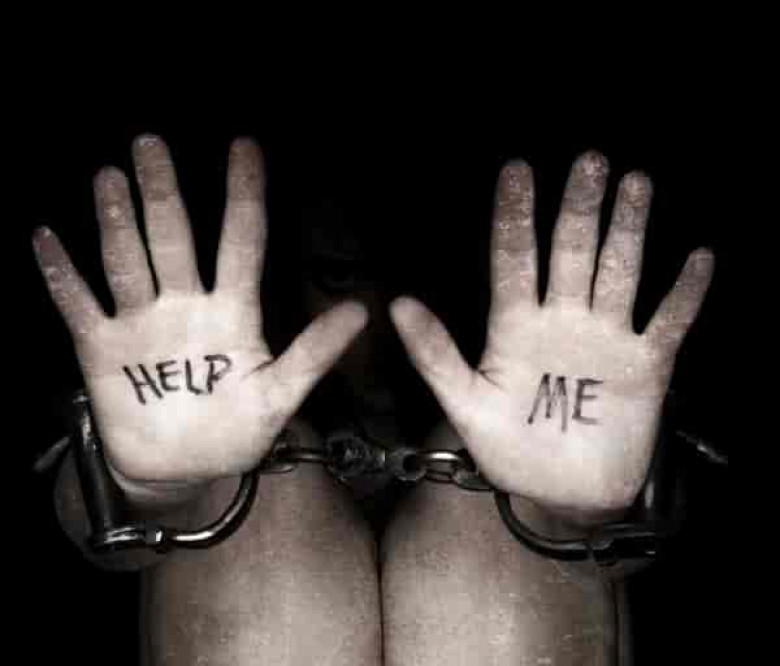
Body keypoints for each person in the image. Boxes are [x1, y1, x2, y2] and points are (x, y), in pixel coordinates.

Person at [35, 134, 714, 664]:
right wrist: (155, 493)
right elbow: (92, 526)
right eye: (339, 277)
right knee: (266, 478)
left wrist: (584, 514)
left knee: (485, 480)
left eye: (411, 276)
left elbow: (651, 534)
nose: (385, 319)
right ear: (283, 284)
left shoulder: (512, 439)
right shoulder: (251, 442)